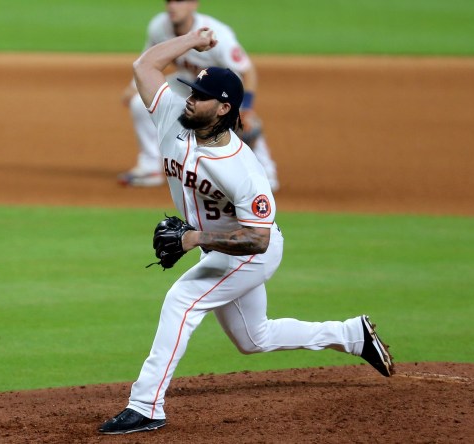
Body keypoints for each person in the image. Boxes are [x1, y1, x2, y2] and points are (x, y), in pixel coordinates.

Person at [98, 28, 395, 435]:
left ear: (222, 109)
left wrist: (193, 239)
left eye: (199, 97)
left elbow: (259, 238)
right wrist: (192, 40)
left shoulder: (244, 169)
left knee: (181, 301)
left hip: (250, 254)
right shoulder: (171, 116)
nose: (189, 98)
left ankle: (146, 404)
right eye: (190, 91)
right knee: (254, 338)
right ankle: (351, 335)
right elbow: (144, 65)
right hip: (220, 250)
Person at [117, 0, 279, 191]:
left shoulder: (217, 34)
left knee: (243, 124)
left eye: (179, 1)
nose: (172, 6)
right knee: (139, 104)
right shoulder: (159, 26)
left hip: (223, 88)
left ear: (194, 4)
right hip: (190, 81)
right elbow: (149, 57)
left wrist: (247, 107)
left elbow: (248, 71)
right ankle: (150, 166)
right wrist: (133, 86)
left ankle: (267, 173)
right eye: (169, 1)